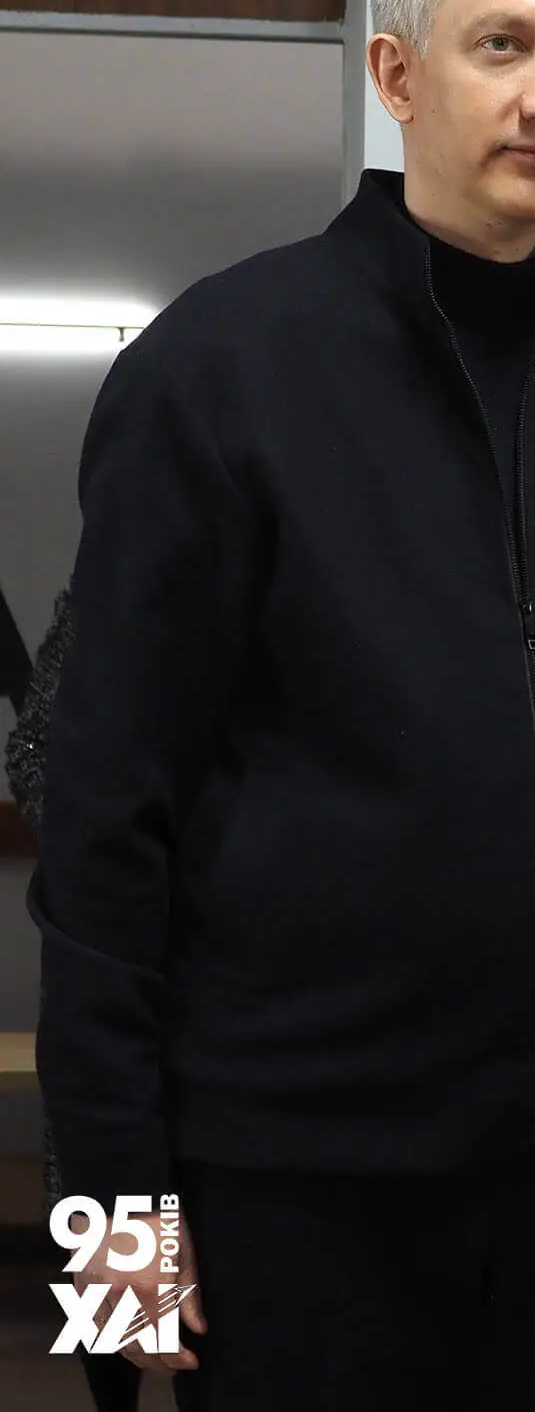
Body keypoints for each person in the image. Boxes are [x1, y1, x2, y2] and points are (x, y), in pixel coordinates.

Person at [29, 0, 535, 1412]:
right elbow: (103, 820)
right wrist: (108, 1221)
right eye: (504, 45)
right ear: (396, 73)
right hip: (283, 1180)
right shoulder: (216, 372)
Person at [6, 585, 142, 1412]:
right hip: (116, 971)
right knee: (123, 1308)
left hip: (257, 1025)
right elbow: (34, 757)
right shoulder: (111, 592)